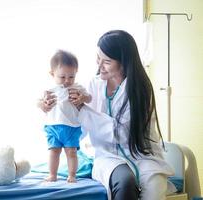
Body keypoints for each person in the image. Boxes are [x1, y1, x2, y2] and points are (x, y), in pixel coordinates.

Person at [39, 30, 174, 200]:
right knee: (125, 183)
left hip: (142, 155)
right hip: (107, 156)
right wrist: (49, 108)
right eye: (98, 58)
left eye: (107, 62)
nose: (99, 65)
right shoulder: (93, 85)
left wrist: (82, 109)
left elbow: (122, 134)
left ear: (124, 63)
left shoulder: (140, 90)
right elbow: (76, 126)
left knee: (154, 191)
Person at [38, 49, 92, 183]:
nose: (67, 80)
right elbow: (38, 102)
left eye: (71, 76)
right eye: (62, 77)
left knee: (71, 152)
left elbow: (89, 98)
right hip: (53, 126)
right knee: (53, 151)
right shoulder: (49, 89)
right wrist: (42, 104)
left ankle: (72, 175)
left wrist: (82, 98)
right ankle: (52, 174)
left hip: (71, 127)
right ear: (52, 73)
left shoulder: (77, 87)